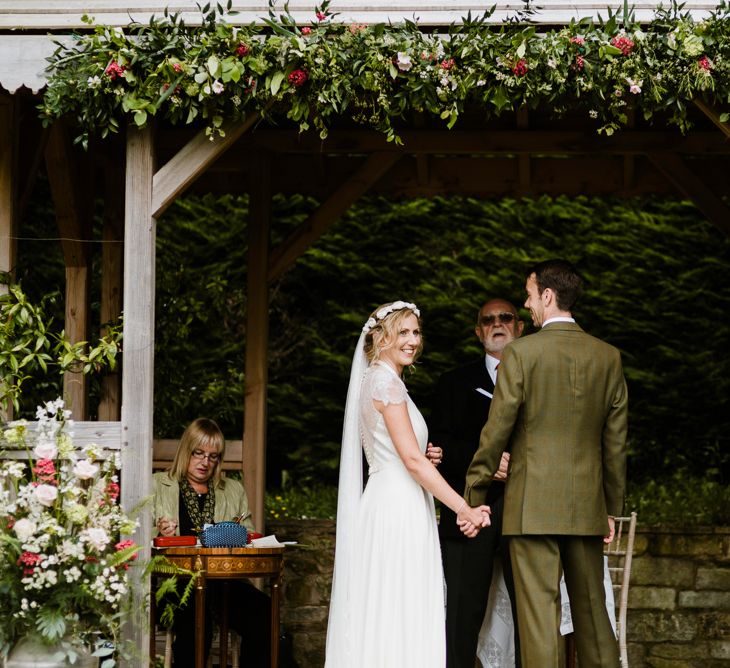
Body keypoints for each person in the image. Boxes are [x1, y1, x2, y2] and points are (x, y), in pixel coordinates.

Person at [464, 260, 628, 668]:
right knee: (594, 617)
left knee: (539, 622)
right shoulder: (608, 357)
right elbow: (616, 442)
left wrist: (474, 492)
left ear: (548, 296)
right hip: (587, 507)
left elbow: (496, 431)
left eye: (530, 294)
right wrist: (611, 507)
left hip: (531, 508)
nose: (526, 303)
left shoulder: (521, 353)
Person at [325, 300, 491, 668]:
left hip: (387, 499)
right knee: (402, 600)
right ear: (381, 337)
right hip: (398, 507)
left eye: (416, 332)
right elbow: (412, 463)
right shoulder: (387, 383)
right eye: (403, 332)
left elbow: (404, 453)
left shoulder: (378, 380)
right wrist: (463, 507)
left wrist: (421, 455)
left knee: (388, 602)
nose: (413, 340)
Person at [430, 299, 523, 668]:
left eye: (505, 318)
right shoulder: (453, 382)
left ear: (520, 327)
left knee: (531, 616)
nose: (496, 324)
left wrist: (518, 464)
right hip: (469, 510)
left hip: (524, 509)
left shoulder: (538, 375)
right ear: (478, 332)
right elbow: (438, 445)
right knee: (462, 615)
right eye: (488, 320)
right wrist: (485, 463)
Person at [153, 417, 272, 667]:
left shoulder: (233, 489)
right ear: (186, 450)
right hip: (175, 584)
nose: (205, 462)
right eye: (198, 453)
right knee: (197, 619)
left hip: (224, 582)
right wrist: (159, 532)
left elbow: (249, 535)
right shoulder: (158, 485)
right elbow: (135, 537)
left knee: (264, 612)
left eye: (213, 456)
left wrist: (236, 535)